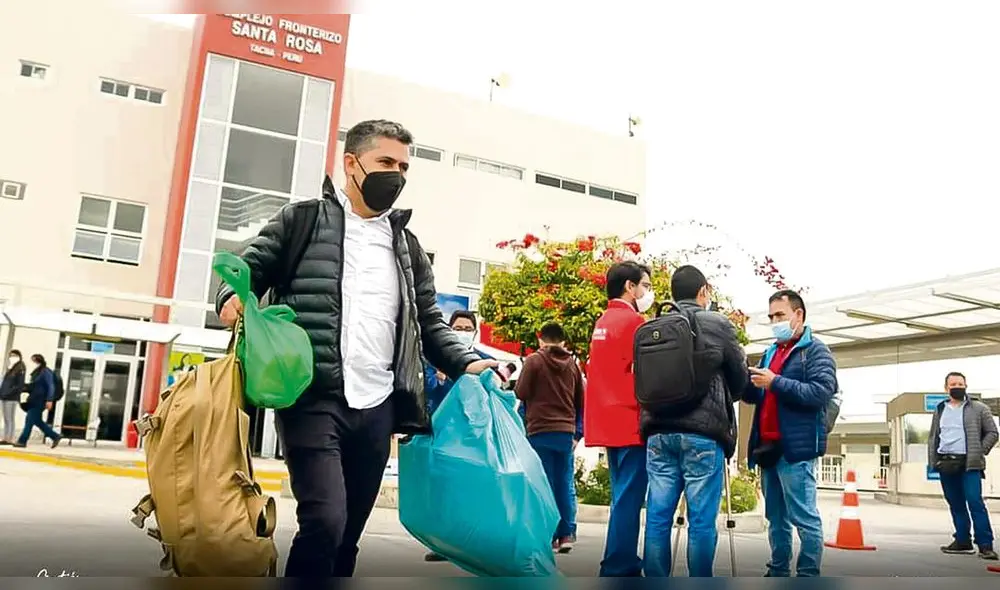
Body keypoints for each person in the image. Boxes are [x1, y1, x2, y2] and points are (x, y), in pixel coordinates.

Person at [216, 119, 497, 577]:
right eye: (386, 162)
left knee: (347, 537)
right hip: (310, 398)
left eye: (404, 167)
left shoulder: (407, 247)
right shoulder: (302, 220)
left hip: (377, 407)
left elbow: (429, 324)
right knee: (324, 521)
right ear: (352, 163)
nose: (397, 175)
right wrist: (229, 299)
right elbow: (248, 270)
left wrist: (468, 362)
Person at [641, 265, 749, 577]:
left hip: (658, 431)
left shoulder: (655, 325)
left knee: (658, 518)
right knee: (701, 521)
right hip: (703, 434)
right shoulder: (717, 324)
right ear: (703, 292)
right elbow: (739, 380)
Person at [743, 289, 837, 577]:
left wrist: (776, 382)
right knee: (776, 518)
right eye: (771, 316)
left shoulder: (815, 351)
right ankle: (778, 570)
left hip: (795, 449)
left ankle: (808, 574)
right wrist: (746, 382)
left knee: (804, 517)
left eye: (780, 315)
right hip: (768, 447)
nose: (775, 321)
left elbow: (821, 392)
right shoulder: (771, 351)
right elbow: (760, 395)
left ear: (799, 315)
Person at [584, 261, 652, 576]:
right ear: (630, 286)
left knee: (621, 494)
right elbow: (647, 373)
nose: (647, 292)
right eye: (646, 285)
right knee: (629, 498)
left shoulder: (603, 321)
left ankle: (617, 558)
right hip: (629, 419)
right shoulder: (635, 321)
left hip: (606, 419)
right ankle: (619, 563)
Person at [421, 309, 495, 563]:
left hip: (472, 436)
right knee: (443, 490)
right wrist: (439, 380)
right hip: (442, 434)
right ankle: (443, 544)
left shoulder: (482, 360)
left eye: (467, 329)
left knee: (471, 488)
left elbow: (495, 389)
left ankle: (474, 542)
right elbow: (425, 392)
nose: (462, 333)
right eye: (458, 328)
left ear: (474, 332)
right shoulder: (434, 360)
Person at [515, 322, 584, 554]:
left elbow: (521, 393)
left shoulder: (534, 361)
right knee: (564, 483)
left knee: (543, 483)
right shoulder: (573, 365)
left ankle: (549, 533)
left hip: (539, 431)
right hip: (565, 433)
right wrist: (577, 433)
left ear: (540, 340)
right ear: (562, 342)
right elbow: (580, 400)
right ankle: (566, 534)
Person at [929, 371, 998, 560]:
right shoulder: (940, 408)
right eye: (953, 385)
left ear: (966, 386)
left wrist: (979, 450)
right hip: (946, 462)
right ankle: (962, 540)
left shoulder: (978, 408)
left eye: (960, 384)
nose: (957, 387)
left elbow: (993, 433)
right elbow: (934, 435)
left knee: (975, 502)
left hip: (969, 463)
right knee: (956, 503)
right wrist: (933, 460)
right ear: (946, 388)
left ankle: (985, 545)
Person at [14, 354, 63, 449]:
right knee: (37, 421)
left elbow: (51, 386)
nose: (31, 363)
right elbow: (33, 387)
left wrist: (49, 400)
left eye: (33, 361)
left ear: (38, 361)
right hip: (34, 400)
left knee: (29, 420)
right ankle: (55, 436)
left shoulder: (46, 371)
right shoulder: (37, 372)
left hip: (40, 401)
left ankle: (22, 441)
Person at [0, 350, 25, 445]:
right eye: (10, 355)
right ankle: (5, 438)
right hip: (4, 396)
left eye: (14, 355)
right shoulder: (11, 367)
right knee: (6, 418)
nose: (12, 357)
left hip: (11, 397)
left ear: (19, 356)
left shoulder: (20, 368)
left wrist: (8, 392)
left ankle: (10, 438)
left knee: (10, 418)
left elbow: (19, 385)